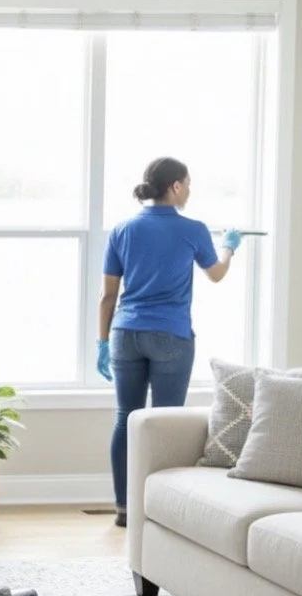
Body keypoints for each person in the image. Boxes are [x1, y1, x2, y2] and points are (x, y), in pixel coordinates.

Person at [98, 156, 241, 528]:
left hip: (124, 334)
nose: (190, 191)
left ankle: (123, 509)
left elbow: (107, 297)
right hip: (171, 336)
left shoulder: (122, 229)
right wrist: (228, 247)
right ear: (175, 186)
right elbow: (217, 274)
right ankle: (158, 509)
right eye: (188, 184)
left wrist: (102, 342)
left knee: (125, 419)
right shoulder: (193, 229)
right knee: (165, 423)